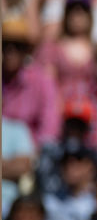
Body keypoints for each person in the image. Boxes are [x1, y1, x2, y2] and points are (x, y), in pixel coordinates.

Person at [2, 17, 60, 146]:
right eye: (5, 45)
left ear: (26, 50)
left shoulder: (41, 82)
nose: (10, 51)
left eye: (18, 46)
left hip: (30, 154)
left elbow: (49, 129)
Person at [33, 0, 96, 96]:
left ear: (89, 15)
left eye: (82, 10)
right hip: (60, 107)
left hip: (91, 108)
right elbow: (46, 83)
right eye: (73, 10)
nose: (77, 15)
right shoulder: (52, 48)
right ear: (66, 14)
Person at [40, 138, 97, 220]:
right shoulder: (49, 200)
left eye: (77, 161)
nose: (69, 167)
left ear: (90, 166)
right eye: (65, 161)